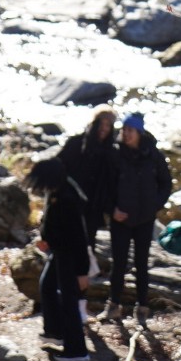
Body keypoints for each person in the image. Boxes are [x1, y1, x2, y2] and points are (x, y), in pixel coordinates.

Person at [107, 112, 173, 321]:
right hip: (120, 218)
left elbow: (166, 183)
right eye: (124, 130)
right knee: (118, 263)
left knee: (142, 263)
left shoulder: (153, 154)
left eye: (130, 130)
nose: (126, 134)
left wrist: (154, 205)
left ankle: (142, 307)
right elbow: (104, 186)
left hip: (144, 218)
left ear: (139, 132)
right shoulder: (115, 154)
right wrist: (112, 209)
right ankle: (113, 305)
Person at [30, 152, 92, 361]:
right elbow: (50, 222)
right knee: (46, 286)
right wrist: (45, 238)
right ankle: (55, 331)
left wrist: (82, 272)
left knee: (69, 300)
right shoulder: (55, 191)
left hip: (70, 256)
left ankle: (76, 350)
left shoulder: (68, 198)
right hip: (57, 251)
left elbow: (79, 238)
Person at [73, 106, 119, 258]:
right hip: (73, 203)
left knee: (88, 246)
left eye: (108, 125)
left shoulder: (112, 151)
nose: (104, 128)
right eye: (101, 123)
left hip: (95, 206)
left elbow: (113, 182)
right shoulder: (78, 143)